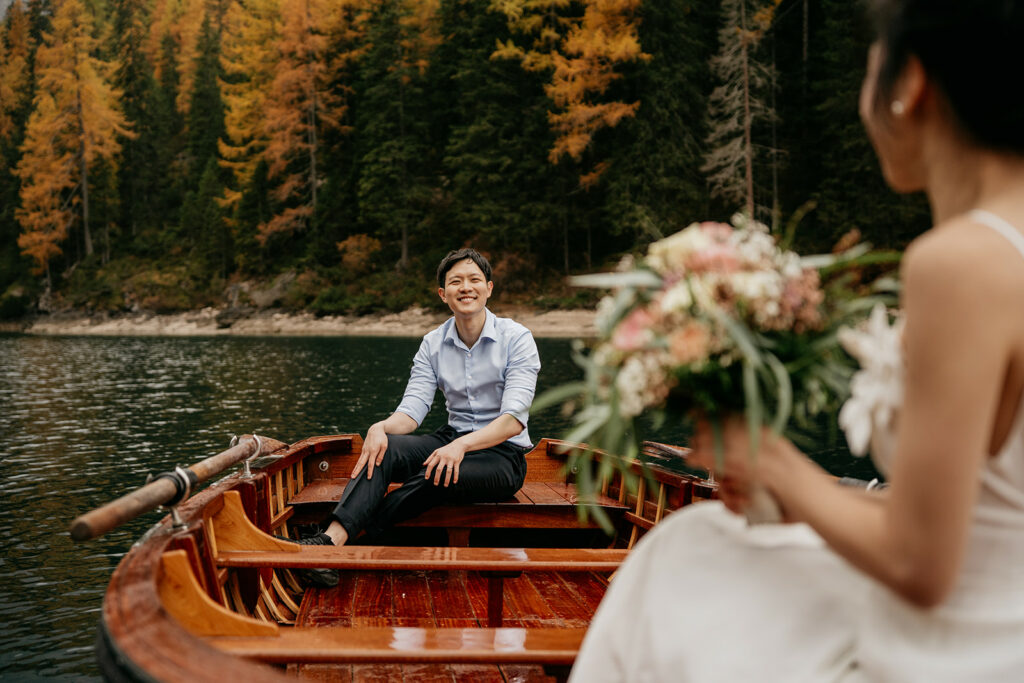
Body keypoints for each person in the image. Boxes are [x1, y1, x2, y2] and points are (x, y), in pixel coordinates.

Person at [570, 0, 1024, 680]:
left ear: (911, 82)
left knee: (682, 559)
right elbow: (991, 517)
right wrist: (801, 502)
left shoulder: (961, 263)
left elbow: (921, 564)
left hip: (963, 652)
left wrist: (773, 462)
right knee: (700, 542)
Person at [293, 248, 540, 585]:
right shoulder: (433, 343)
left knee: (436, 471)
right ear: (443, 294)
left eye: (474, 280)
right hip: (451, 439)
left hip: (503, 457)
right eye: (456, 282)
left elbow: (513, 420)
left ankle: (340, 542)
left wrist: (461, 447)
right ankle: (328, 542)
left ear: (489, 288)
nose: (465, 287)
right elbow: (411, 412)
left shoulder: (517, 339)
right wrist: (380, 427)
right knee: (385, 449)